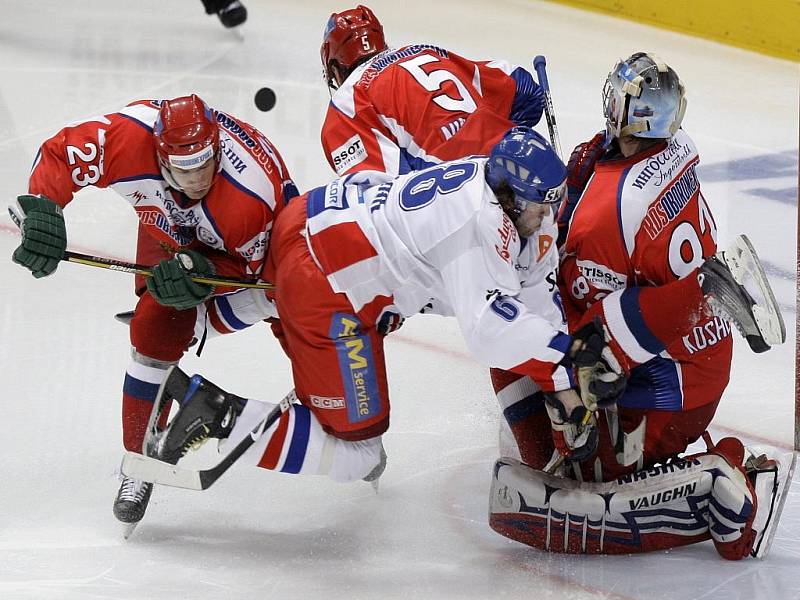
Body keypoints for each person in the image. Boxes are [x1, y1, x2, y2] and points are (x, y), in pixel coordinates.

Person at [136, 128, 625, 494]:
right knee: (358, 452)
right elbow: (488, 328)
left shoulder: (506, 195)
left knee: (280, 300)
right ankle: (216, 414)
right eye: (541, 207)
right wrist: (565, 356)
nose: (549, 217)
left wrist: (561, 383)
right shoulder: (480, 223)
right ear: (511, 199)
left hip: (316, 223)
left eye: (552, 205)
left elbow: (533, 289)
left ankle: (190, 323)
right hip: (325, 277)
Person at [487, 53, 787, 560]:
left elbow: (586, 330)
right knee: (535, 337)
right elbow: (596, 172)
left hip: (671, 382)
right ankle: (589, 456)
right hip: (696, 349)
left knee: (521, 333)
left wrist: (572, 415)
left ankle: (720, 480)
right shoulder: (674, 150)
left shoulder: (607, 216)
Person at [11, 94, 297, 526]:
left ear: (217, 149)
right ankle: (137, 459)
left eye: (205, 164)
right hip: (169, 226)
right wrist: (44, 210)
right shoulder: (128, 138)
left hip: (257, 253)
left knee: (294, 313)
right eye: (185, 169)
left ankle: (344, 418)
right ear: (161, 157)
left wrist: (201, 273)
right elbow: (60, 153)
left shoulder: (248, 197)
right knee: (152, 330)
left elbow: (253, 273)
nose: (198, 178)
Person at [320, 5, 544, 177]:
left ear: (335, 68)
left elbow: (382, 195)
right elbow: (527, 91)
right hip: (529, 166)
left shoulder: (348, 100)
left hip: (464, 202)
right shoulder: (427, 52)